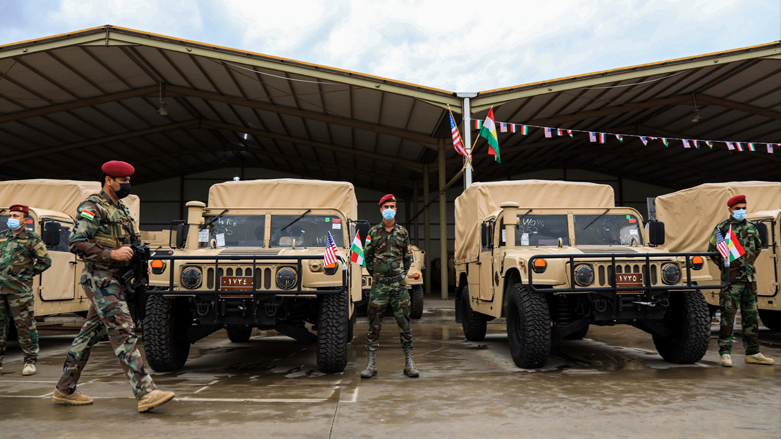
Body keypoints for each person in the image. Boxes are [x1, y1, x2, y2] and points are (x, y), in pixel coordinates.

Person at [52, 161, 175, 412]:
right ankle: (145, 392)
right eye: (123, 181)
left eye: (129, 181)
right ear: (109, 180)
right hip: (101, 278)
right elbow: (76, 243)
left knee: (89, 335)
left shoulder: (121, 209)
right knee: (123, 329)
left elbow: (132, 242)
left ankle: (64, 389)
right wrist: (112, 254)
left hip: (118, 278)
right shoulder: (92, 207)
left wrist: (143, 264)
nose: (127, 185)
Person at [708, 194, 773, 367]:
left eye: (744, 208)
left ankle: (753, 352)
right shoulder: (723, 228)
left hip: (750, 279)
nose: (741, 211)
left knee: (751, 316)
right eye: (737, 209)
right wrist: (728, 266)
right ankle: (725, 352)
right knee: (728, 317)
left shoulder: (752, 227)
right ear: (730, 210)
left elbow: (757, 248)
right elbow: (713, 251)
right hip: (732, 279)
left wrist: (746, 265)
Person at [361, 194, 418, 379]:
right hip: (379, 287)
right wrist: (378, 275)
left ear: (396, 209)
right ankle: (370, 364)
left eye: (392, 206)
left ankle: (409, 363)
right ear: (380, 209)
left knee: (405, 324)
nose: (389, 209)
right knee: (374, 325)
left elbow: (408, 258)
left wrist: (399, 275)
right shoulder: (373, 233)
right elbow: (367, 258)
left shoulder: (403, 233)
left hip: (399, 286)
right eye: (386, 206)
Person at [0, 204, 51, 376]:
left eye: (16, 216)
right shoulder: (2, 238)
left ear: (25, 220)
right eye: (10, 215)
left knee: (25, 327)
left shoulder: (32, 239)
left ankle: (30, 361)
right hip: (0, 290)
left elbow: (45, 261)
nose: (11, 219)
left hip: (20, 291)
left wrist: (27, 274)